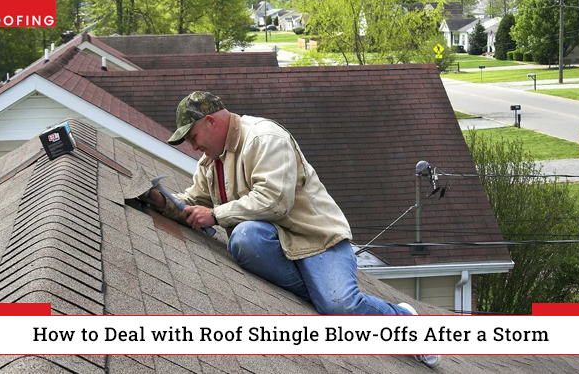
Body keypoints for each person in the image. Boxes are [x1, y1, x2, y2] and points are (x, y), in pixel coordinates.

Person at [142, 91, 441, 368]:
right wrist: (164, 202)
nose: (194, 147)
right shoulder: (211, 162)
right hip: (274, 242)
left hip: (316, 239)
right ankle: (321, 291)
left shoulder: (263, 138)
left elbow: (275, 201)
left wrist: (216, 214)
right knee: (245, 238)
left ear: (210, 121)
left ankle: (405, 321)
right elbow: (195, 203)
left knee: (338, 306)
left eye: (193, 137)